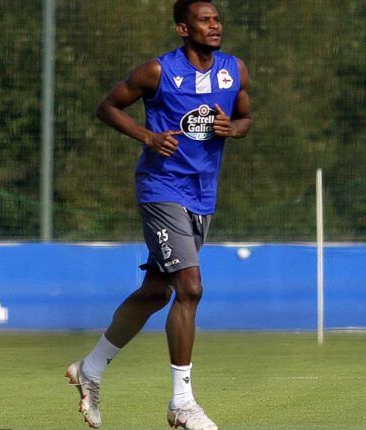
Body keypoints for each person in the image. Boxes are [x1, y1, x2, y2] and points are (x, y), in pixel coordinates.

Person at [65, 1, 251, 429]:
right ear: (183, 29)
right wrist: (147, 135)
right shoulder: (157, 72)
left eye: (217, 19)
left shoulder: (233, 70)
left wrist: (233, 129)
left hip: (203, 196)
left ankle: (90, 369)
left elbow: (245, 117)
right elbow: (107, 107)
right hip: (161, 190)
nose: (215, 25)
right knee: (190, 289)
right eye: (205, 20)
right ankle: (182, 403)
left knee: (156, 293)